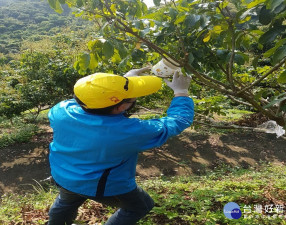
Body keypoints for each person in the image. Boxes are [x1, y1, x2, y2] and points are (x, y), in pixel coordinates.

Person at [47, 66, 194, 225]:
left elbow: (91, 99)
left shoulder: (61, 110)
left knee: (66, 201)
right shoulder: (128, 132)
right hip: (102, 185)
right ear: (121, 107)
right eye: (131, 98)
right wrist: (181, 92)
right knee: (140, 206)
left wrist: (118, 84)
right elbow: (177, 121)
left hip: (64, 175)